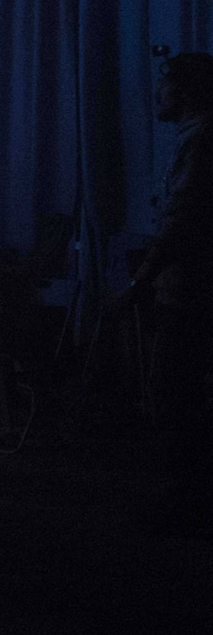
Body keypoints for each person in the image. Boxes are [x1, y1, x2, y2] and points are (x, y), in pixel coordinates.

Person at [122, 50, 213, 535]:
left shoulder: (201, 141)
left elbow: (182, 222)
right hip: (189, 286)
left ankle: (186, 501)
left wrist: (140, 281)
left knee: (173, 391)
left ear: (189, 90)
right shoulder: (196, 139)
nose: (158, 93)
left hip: (191, 290)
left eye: (166, 83)